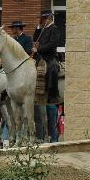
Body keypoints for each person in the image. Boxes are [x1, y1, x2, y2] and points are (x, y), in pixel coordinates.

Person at [33, 10, 61, 143]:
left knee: (53, 69)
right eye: (42, 19)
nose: (43, 21)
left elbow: (52, 45)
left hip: (51, 57)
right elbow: (35, 40)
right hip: (40, 58)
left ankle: (53, 93)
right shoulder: (41, 29)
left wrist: (39, 49)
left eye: (44, 19)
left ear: (49, 18)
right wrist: (38, 28)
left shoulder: (55, 29)